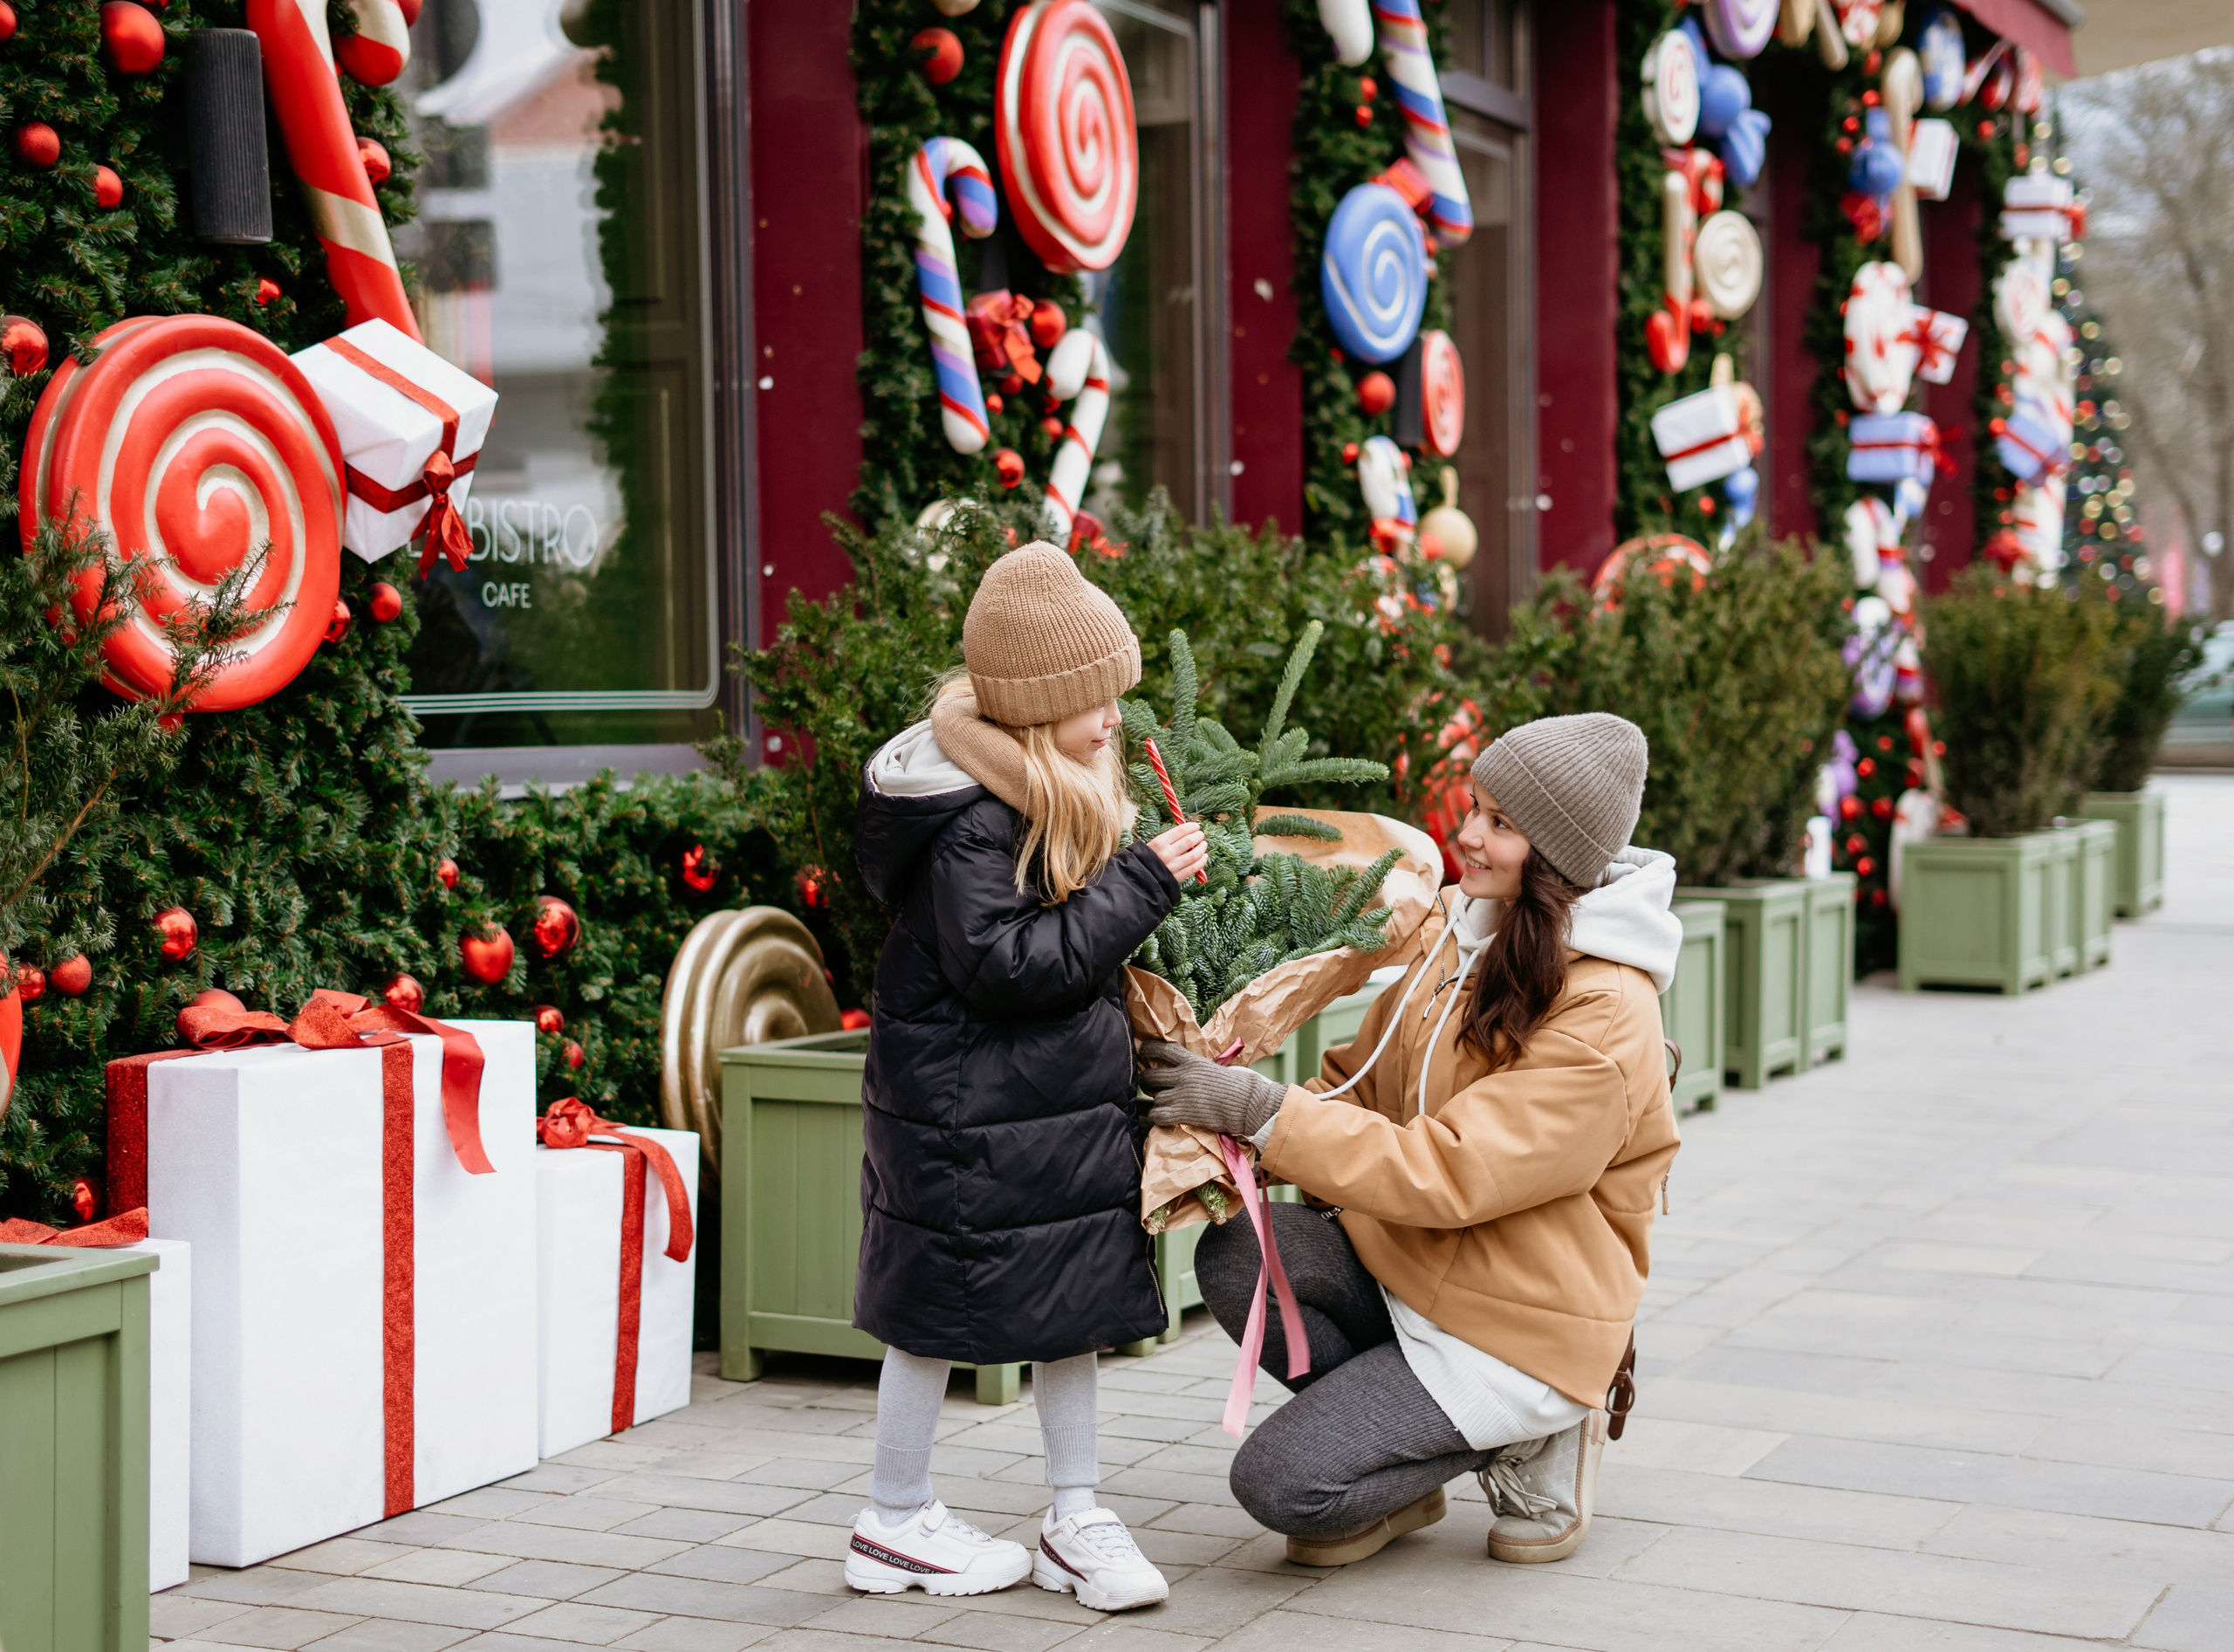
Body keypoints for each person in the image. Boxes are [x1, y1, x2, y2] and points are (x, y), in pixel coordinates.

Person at [1139, 712, 1681, 1569]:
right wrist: (1219, 1134)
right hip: (1413, 1266)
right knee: (1243, 1253)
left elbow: (1451, 1170)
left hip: (1516, 1325)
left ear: (1557, 855)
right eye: (1475, 806)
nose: (1466, 833)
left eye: (1501, 823)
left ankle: (1533, 1431)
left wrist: (1258, 1110)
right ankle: (1399, 1465)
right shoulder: (1465, 930)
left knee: (1282, 1490)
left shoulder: (1607, 1012)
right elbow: (1359, 1079)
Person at [844, 542, 1208, 1611]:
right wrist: (1142, 883)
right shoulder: (972, 816)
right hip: (969, 1115)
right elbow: (1010, 965)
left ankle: (1074, 1516)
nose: (1116, 724)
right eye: (1097, 702)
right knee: (931, 1308)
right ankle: (893, 1519)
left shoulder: (1046, 786)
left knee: (1072, 1303)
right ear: (1041, 709)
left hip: (1043, 1108)